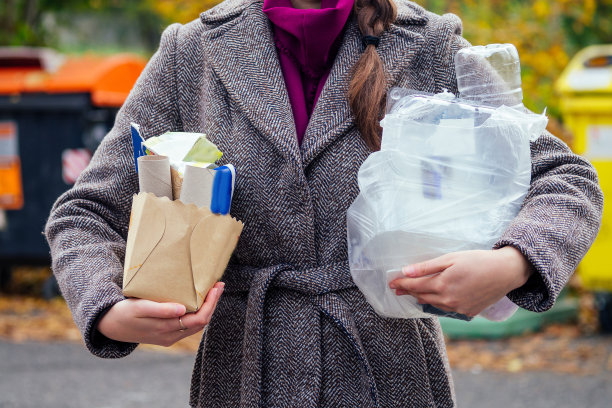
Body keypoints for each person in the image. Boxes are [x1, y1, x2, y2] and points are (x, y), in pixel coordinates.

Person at [45, 0, 603, 406]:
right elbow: (85, 214)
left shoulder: (432, 46)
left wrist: (513, 262)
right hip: (243, 376)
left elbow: (565, 178)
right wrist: (108, 308)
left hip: (393, 376)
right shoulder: (192, 55)